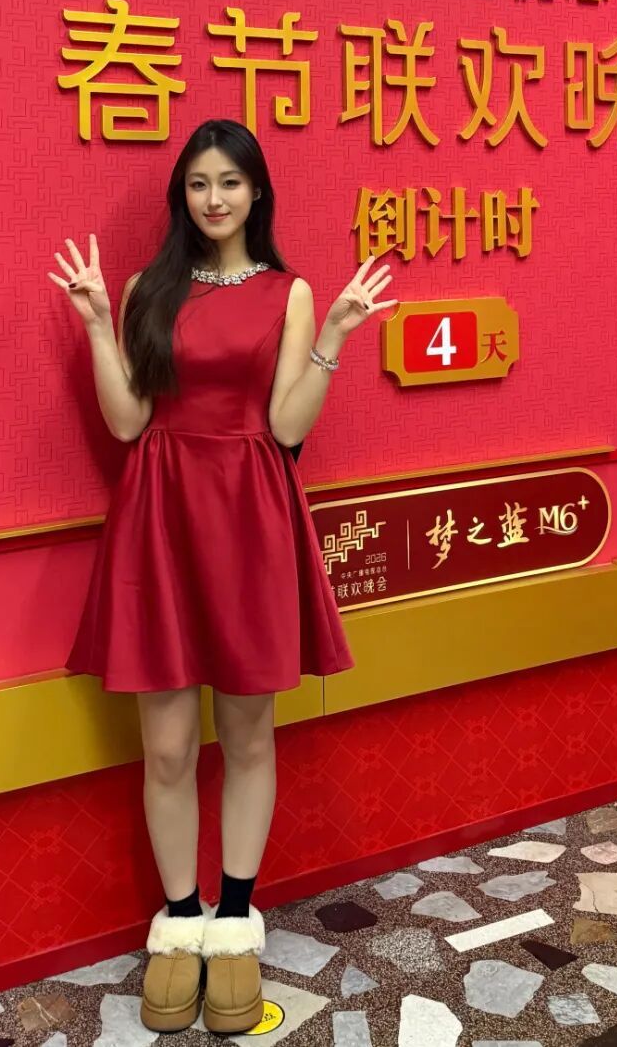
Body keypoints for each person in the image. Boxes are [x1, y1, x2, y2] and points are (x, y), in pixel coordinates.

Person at [47, 118, 396, 1035]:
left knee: (246, 734)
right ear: (183, 194)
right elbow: (127, 423)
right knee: (166, 747)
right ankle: (181, 921)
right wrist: (97, 324)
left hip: (249, 517)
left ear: (256, 192)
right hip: (159, 517)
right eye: (199, 183)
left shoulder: (292, 292)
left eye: (230, 182)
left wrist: (335, 336)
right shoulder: (145, 288)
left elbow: (286, 428)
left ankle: (236, 921)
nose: (214, 199)